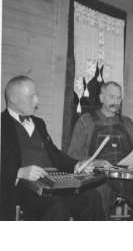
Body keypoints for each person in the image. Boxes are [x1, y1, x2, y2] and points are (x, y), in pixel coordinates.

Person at [0, 75, 104, 221]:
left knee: (92, 197)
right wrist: (19, 172)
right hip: (24, 190)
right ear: (13, 99)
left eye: (37, 95)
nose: (37, 101)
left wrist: (77, 165)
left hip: (54, 185)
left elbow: (54, 154)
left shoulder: (39, 123)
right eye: (31, 96)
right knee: (57, 206)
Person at [67, 81, 133, 220]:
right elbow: (73, 155)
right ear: (101, 98)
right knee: (98, 191)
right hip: (100, 177)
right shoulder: (86, 121)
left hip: (127, 177)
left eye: (119, 98)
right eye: (112, 97)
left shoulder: (127, 123)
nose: (116, 102)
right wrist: (97, 163)